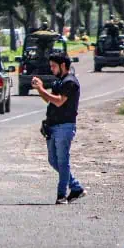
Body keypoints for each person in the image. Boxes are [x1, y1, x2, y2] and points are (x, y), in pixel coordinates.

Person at [32, 53, 85, 205]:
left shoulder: (70, 82)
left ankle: (61, 195)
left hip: (65, 127)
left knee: (63, 161)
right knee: (53, 160)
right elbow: (50, 100)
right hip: (53, 127)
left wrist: (42, 89)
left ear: (63, 65)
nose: (51, 69)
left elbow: (59, 101)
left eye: (53, 66)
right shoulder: (59, 82)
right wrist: (39, 89)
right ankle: (76, 187)